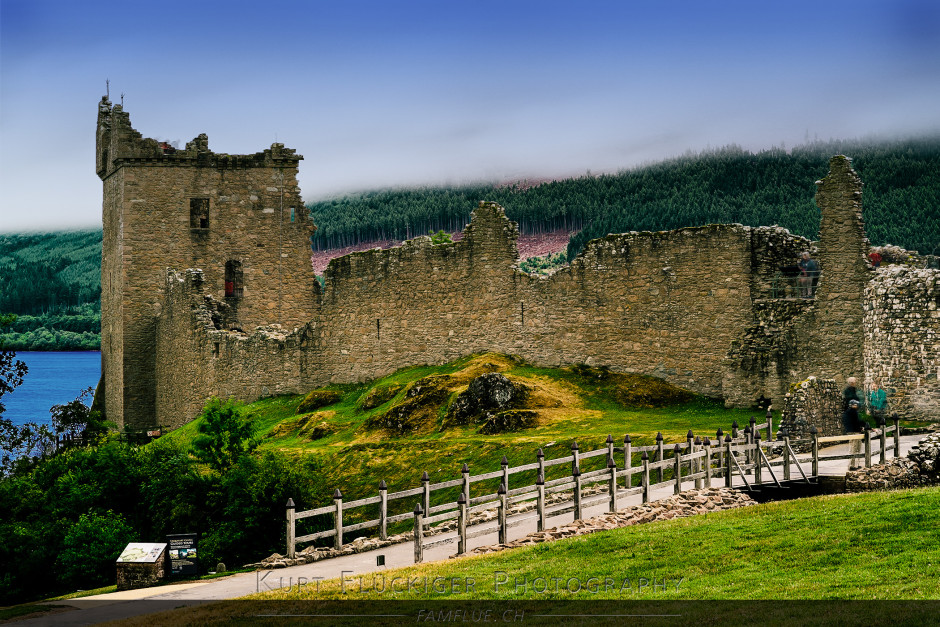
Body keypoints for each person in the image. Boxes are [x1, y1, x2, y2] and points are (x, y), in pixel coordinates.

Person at [842, 398, 864, 470]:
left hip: (851, 432)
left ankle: (854, 465)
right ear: (852, 405)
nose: (857, 405)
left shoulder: (846, 413)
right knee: (854, 449)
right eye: (855, 404)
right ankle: (852, 465)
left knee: (854, 448)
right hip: (855, 432)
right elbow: (857, 422)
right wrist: (861, 428)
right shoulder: (853, 413)